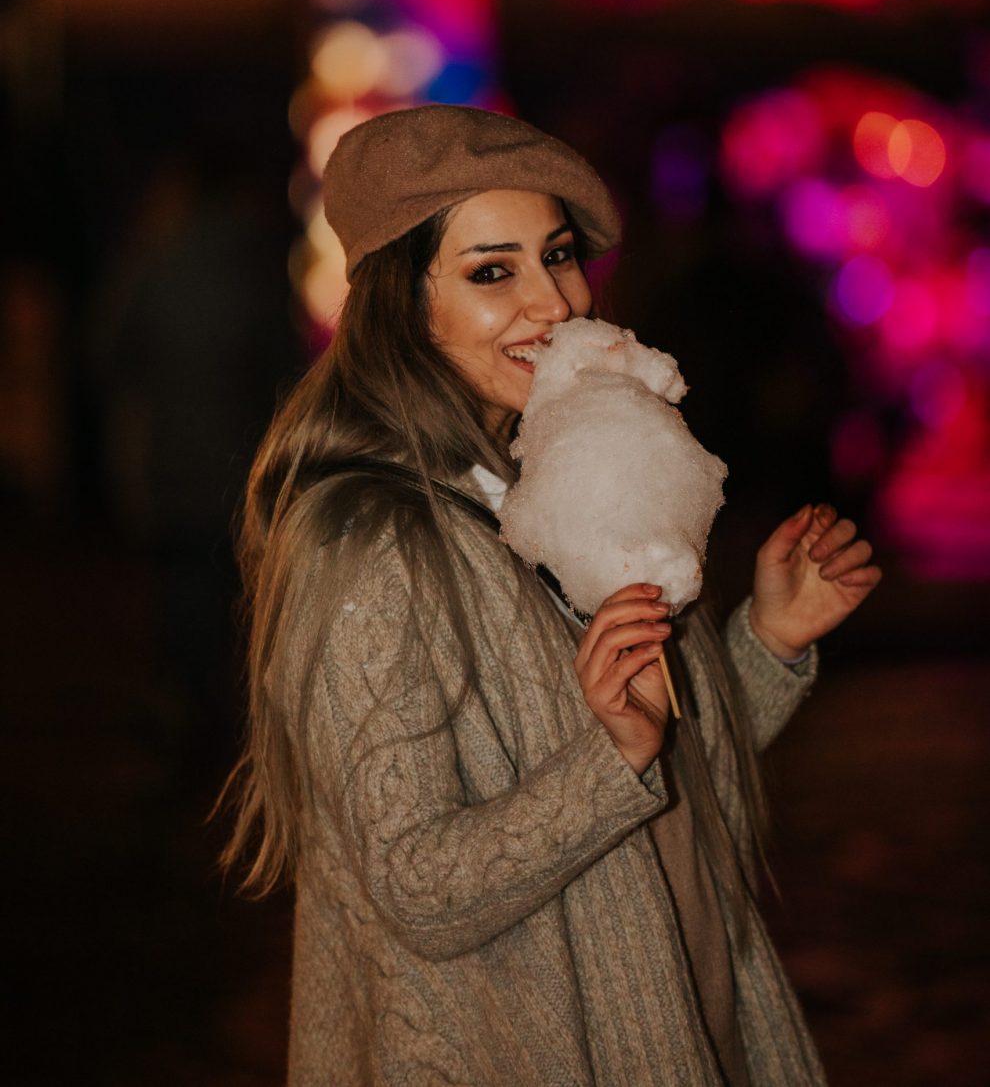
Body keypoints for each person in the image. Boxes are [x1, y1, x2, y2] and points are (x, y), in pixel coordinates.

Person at [220, 104, 882, 1086]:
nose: (556, 301)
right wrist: (607, 757)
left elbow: (658, 771)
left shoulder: (557, 478)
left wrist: (766, 641)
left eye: (558, 254)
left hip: (688, 1017)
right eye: (493, 271)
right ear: (407, 302)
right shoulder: (371, 542)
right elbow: (418, 887)